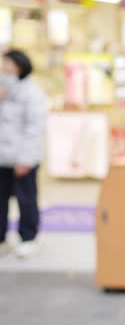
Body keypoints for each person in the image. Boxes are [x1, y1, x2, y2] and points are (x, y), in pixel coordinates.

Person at [0, 49, 48, 259]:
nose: (4, 67)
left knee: (25, 198)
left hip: (22, 158)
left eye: (8, 63)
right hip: (2, 157)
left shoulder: (32, 92)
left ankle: (28, 237)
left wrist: (26, 159)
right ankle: (2, 238)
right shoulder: (3, 90)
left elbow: (34, 128)